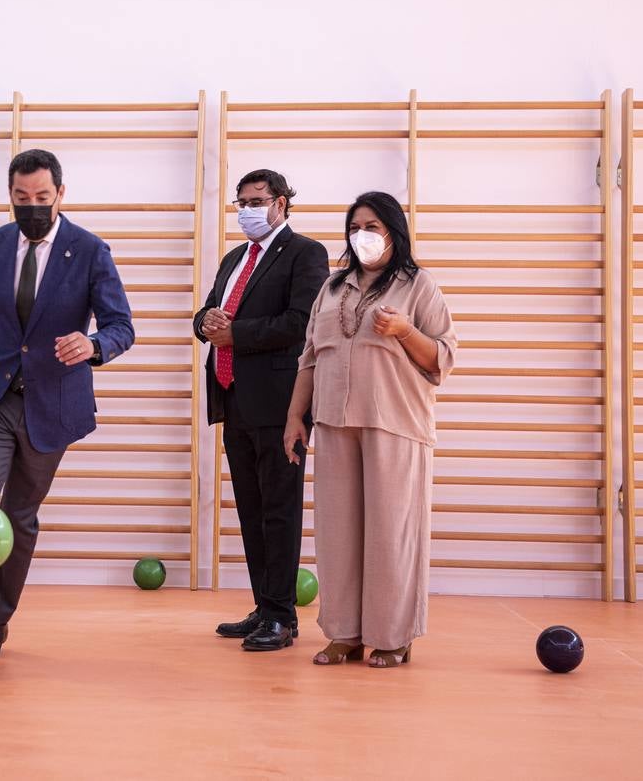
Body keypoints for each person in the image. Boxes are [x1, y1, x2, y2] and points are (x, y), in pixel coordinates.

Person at [0, 149, 135, 670]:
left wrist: (95, 345)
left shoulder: (89, 250)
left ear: (61, 193)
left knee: (20, 518)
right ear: (9, 195)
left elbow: (122, 325)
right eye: (20, 198)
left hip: (51, 405)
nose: (31, 206)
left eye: (41, 197)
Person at [283, 190, 456, 667]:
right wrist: (296, 416)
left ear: (393, 233)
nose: (362, 236)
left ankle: (393, 635)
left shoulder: (419, 286)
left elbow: (442, 359)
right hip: (335, 423)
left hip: (395, 424)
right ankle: (345, 632)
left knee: (390, 534)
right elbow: (310, 358)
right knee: (337, 533)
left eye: (373, 227)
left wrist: (404, 331)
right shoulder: (333, 288)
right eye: (355, 227)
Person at [195, 169, 329, 651]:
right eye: (241, 202)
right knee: (251, 509)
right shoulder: (234, 257)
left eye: (257, 201)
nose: (247, 210)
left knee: (279, 508)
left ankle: (282, 616)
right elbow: (210, 313)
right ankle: (264, 606)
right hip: (233, 398)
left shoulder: (305, 253)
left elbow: (301, 323)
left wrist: (238, 334)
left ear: (281, 204)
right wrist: (204, 321)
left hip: (280, 404)